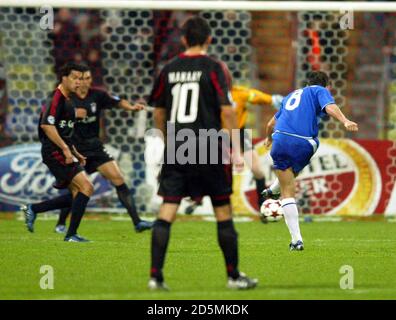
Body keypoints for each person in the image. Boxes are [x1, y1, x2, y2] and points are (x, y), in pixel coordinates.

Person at [148, 16, 258, 290]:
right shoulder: (214, 67)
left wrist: (165, 140)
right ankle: (233, 276)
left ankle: (155, 277)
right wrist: (235, 148)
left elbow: (159, 112)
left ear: (184, 39)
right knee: (222, 211)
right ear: (209, 39)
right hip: (209, 145)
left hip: (178, 145)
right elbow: (228, 111)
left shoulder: (169, 68)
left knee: (167, 211)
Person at [263, 71, 358, 251]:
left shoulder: (291, 95)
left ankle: (296, 240)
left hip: (279, 140)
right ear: (327, 86)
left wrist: (268, 139)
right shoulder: (319, 90)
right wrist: (344, 121)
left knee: (286, 190)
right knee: (296, 170)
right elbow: (330, 107)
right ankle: (276, 189)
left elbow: (270, 124)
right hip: (303, 142)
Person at [54, 69, 153, 233]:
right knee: (76, 190)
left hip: (96, 148)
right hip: (75, 149)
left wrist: (132, 107)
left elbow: (118, 102)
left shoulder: (97, 95)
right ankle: (61, 223)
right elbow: (53, 120)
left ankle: (137, 222)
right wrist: (72, 114)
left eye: (88, 78)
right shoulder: (66, 97)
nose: (84, 81)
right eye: (81, 78)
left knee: (119, 178)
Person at [22, 62, 93, 242]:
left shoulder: (68, 101)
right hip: (54, 151)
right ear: (64, 78)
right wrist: (65, 150)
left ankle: (34, 209)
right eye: (75, 78)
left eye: (81, 79)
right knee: (86, 187)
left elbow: (65, 132)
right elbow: (47, 126)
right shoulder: (56, 98)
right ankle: (71, 235)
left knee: (78, 194)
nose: (79, 83)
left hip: (62, 150)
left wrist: (75, 152)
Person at [184, 85, 283, 214]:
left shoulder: (241, 93)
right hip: (219, 135)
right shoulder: (210, 93)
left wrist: (279, 101)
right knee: (213, 170)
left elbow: (264, 98)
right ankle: (198, 198)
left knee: (257, 170)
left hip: (240, 133)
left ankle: (262, 206)